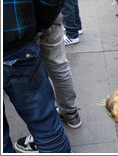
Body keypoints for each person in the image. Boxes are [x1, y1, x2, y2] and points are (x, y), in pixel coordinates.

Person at [3, 0, 71, 153]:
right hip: (16, 43)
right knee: (45, 125)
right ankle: (71, 113)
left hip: (17, 45)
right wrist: (35, 25)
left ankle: (70, 113)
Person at [14, 14, 82, 153]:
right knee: (59, 67)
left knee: (31, 74)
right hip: (50, 12)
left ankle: (43, 137)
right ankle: (71, 113)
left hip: (22, 20)